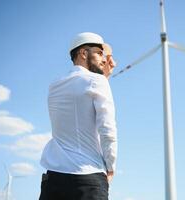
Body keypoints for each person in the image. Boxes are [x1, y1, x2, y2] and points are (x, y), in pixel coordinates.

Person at [39, 32, 117, 200]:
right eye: (99, 53)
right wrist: (110, 167)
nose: (104, 59)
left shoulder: (54, 85)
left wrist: (103, 78)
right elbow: (107, 129)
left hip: (53, 180)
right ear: (83, 53)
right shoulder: (97, 82)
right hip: (88, 179)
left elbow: (80, 103)